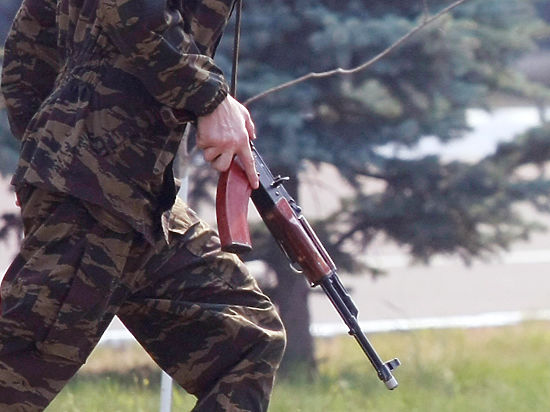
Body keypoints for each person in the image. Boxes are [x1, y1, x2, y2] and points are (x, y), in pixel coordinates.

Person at [0, 0, 286, 410]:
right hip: (98, 188)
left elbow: (30, 38)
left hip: (131, 194)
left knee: (247, 339)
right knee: (13, 376)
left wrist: (48, 150)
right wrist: (210, 97)